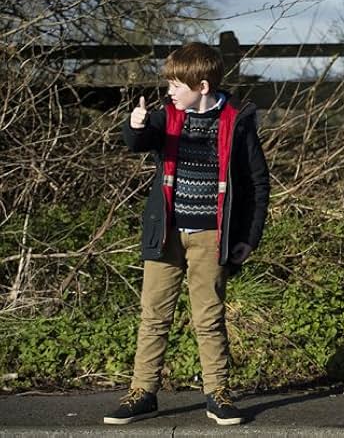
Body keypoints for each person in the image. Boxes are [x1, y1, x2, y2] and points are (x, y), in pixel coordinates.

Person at [103, 42, 270, 426]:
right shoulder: (166, 117)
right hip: (166, 235)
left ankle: (218, 394)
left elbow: (258, 183)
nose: (170, 92)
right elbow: (138, 143)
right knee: (153, 316)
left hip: (211, 236)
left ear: (203, 86)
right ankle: (142, 392)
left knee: (208, 318)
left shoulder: (236, 120)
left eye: (177, 84)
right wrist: (135, 125)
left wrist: (249, 236)